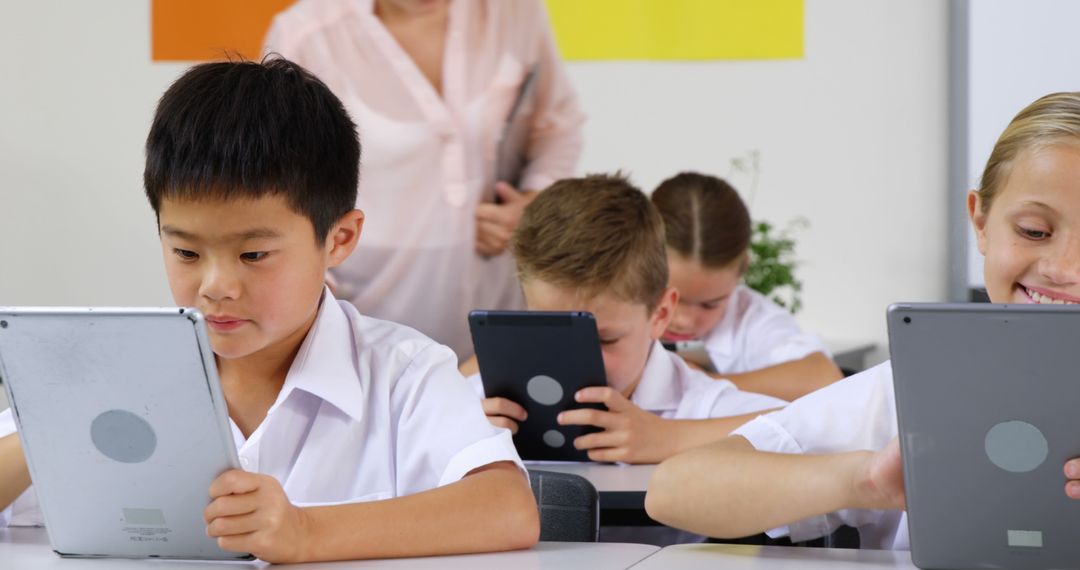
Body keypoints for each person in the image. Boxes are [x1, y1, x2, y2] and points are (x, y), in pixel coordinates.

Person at [0, 58, 538, 563]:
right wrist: (64, 424)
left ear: (339, 238)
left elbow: (508, 509)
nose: (216, 287)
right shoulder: (116, 369)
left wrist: (306, 532)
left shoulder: (403, 373)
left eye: (253, 255)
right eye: (185, 252)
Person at [645, 92, 1080, 549]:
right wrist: (863, 480)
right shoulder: (910, 389)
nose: (1065, 269)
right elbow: (675, 491)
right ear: (981, 222)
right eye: (1034, 231)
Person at [263, 0, 585, 360]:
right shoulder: (305, 35)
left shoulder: (515, 10)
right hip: (368, 315)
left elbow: (557, 125)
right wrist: (315, 310)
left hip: (497, 311)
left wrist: (533, 203)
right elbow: (278, 188)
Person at [476, 174, 786, 465]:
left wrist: (671, 437)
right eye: (551, 334)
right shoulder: (481, 405)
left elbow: (809, 425)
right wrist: (464, 442)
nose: (570, 357)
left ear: (660, 314)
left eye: (605, 339)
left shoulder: (703, 408)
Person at [651, 172, 842, 401]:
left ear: (741, 271)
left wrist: (702, 382)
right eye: (666, 295)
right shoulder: (616, 308)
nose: (684, 321)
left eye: (710, 305)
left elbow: (825, 379)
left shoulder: (753, 320)